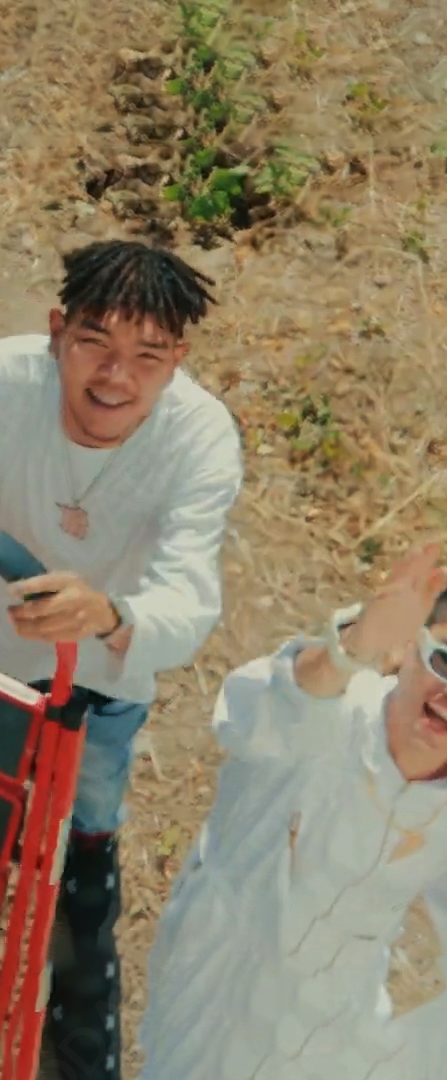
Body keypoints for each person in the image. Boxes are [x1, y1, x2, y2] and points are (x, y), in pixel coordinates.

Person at [137, 543, 447, 1080]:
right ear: (412, 642)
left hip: (345, 1018)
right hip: (223, 999)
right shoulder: (331, 713)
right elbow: (254, 713)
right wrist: (354, 646)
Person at [0, 239, 244, 1080]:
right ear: (56, 332)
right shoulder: (8, 382)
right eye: (94, 343)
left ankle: (82, 1053)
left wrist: (110, 614)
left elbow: (190, 598)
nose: (115, 376)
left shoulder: (199, 439)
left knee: (81, 870)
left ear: (177, 360)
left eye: (147, 356)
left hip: (97, 682)